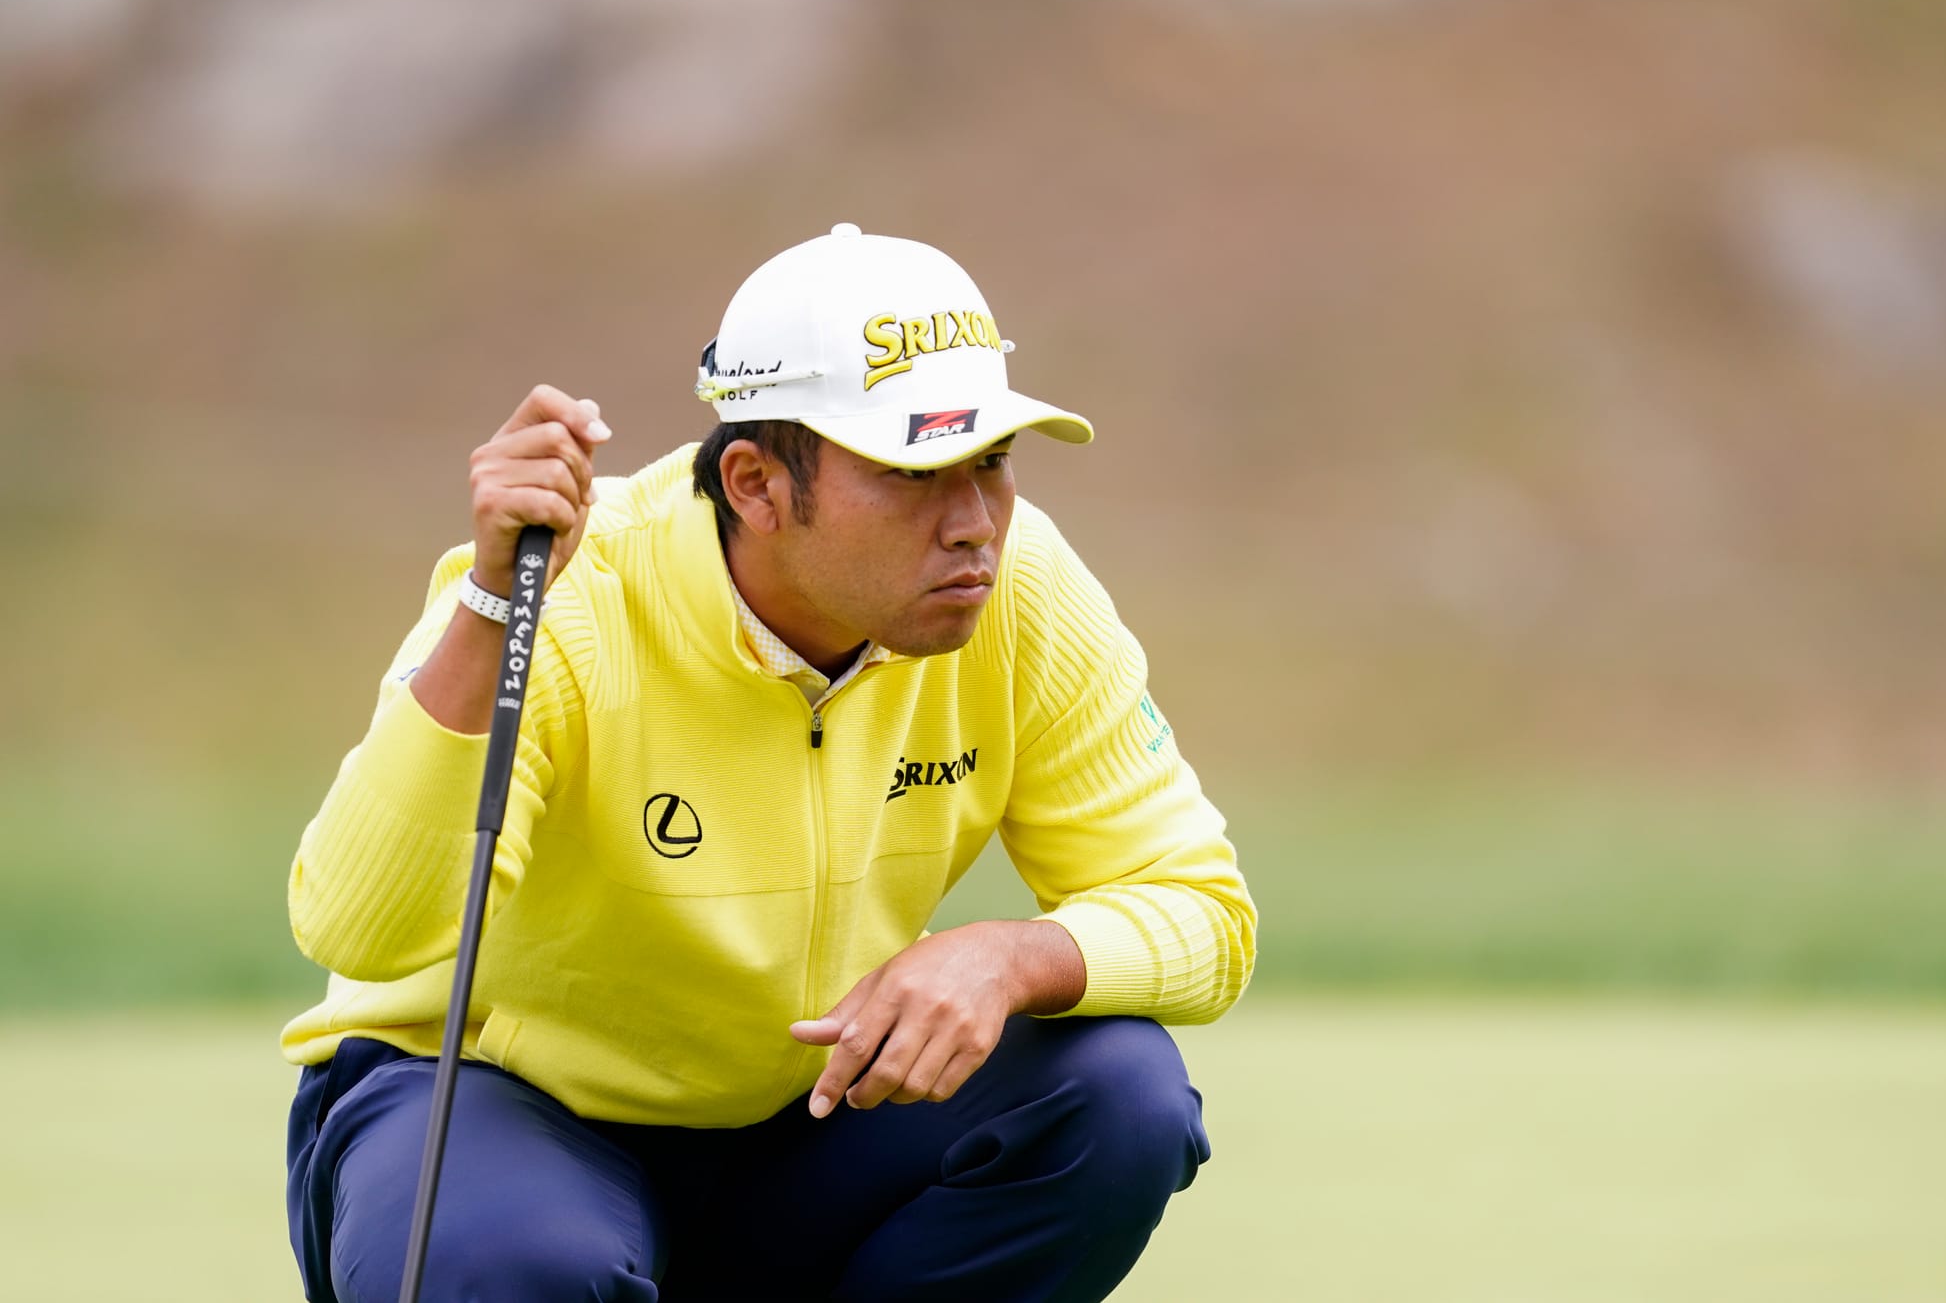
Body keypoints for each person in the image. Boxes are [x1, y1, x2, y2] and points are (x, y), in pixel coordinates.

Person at [281, 223, 1257, 1301]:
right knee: (521, 1266)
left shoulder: (1017, 590)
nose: (974, 522)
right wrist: (487, 614)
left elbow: (1202, 909)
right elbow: (358, 931)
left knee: (1116, 1099)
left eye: (991, 462)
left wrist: (1009, 956)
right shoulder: (560, 595)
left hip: (801, 1118)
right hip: (497, 1111)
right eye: (914, 468)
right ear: (752, 481)